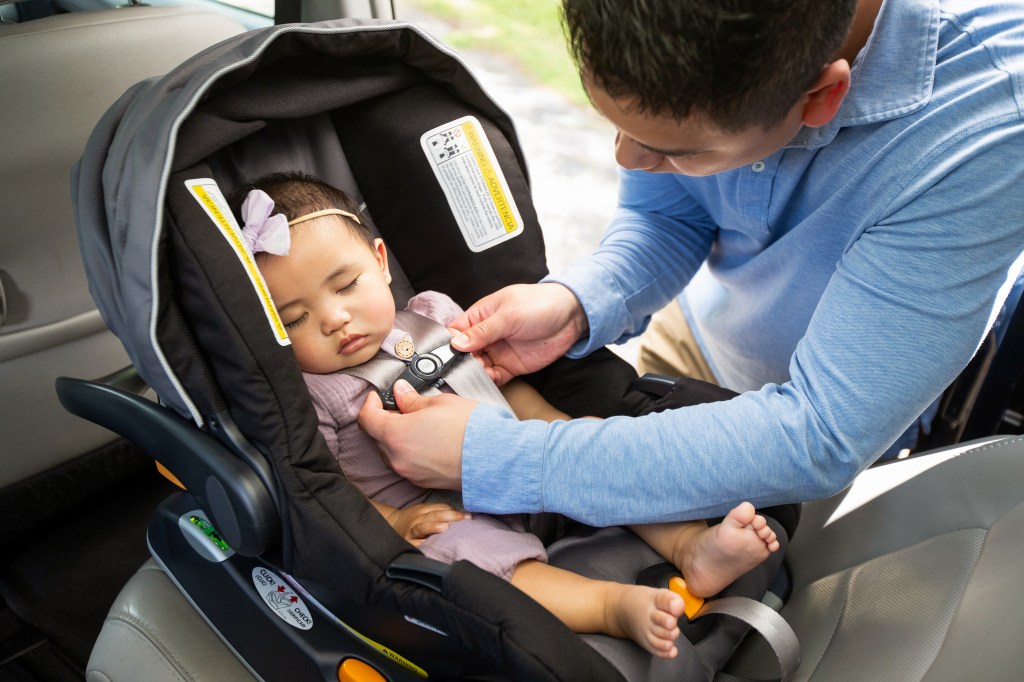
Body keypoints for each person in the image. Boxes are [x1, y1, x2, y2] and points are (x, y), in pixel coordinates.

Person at [357, 0, 1024, 528]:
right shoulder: (697, 63)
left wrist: (497, 459)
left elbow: (819, 435)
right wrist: (582, 301)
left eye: (672, 149)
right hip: (700, 339)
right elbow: (671, 213)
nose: (624, 159)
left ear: (821, 98)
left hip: (814, 438)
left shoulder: (986, 134)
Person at [230, 172, 780, 658]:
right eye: (294, 318)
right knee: (468, 557)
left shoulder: (433, 315)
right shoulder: (312, 395)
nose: (335, 318)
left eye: (346, 285)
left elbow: (505, 389)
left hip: (522, 455)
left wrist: (552, 425)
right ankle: (611, 606)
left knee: (601, 459)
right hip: (442, 512)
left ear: (379, 260)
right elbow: (330, 495)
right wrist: (396, 523)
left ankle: (690, 547)